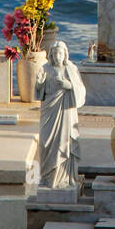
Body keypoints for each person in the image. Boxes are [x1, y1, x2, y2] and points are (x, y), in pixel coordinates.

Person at [35, 40, 86, 189]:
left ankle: (64, 178)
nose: (57, 56)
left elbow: (81, 90)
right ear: (50, 55)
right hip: (49, 111)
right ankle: (47, 177)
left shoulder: (71, 69)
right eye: (54, 53)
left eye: (60, 53)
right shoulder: (45, 68)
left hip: (65, 111)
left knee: (64, 143)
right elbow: (39, 92)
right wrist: (39, 83)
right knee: (46, 142)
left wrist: (68, 85)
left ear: (65, 54)